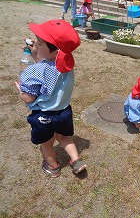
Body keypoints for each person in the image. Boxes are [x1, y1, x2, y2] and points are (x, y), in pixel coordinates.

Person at [15, 19, 87, 178]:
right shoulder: (67, 64)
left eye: (40, 44)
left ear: (55, 52)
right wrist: (37, 52)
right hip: (63, 111)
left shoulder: (35, 71)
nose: (37, 45)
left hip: (44, 116)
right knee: (63, 136)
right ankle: (76, 160)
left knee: (47, 143)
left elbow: (28, 98)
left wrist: (21, 91)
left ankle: (53, 167)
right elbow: (50, 68)